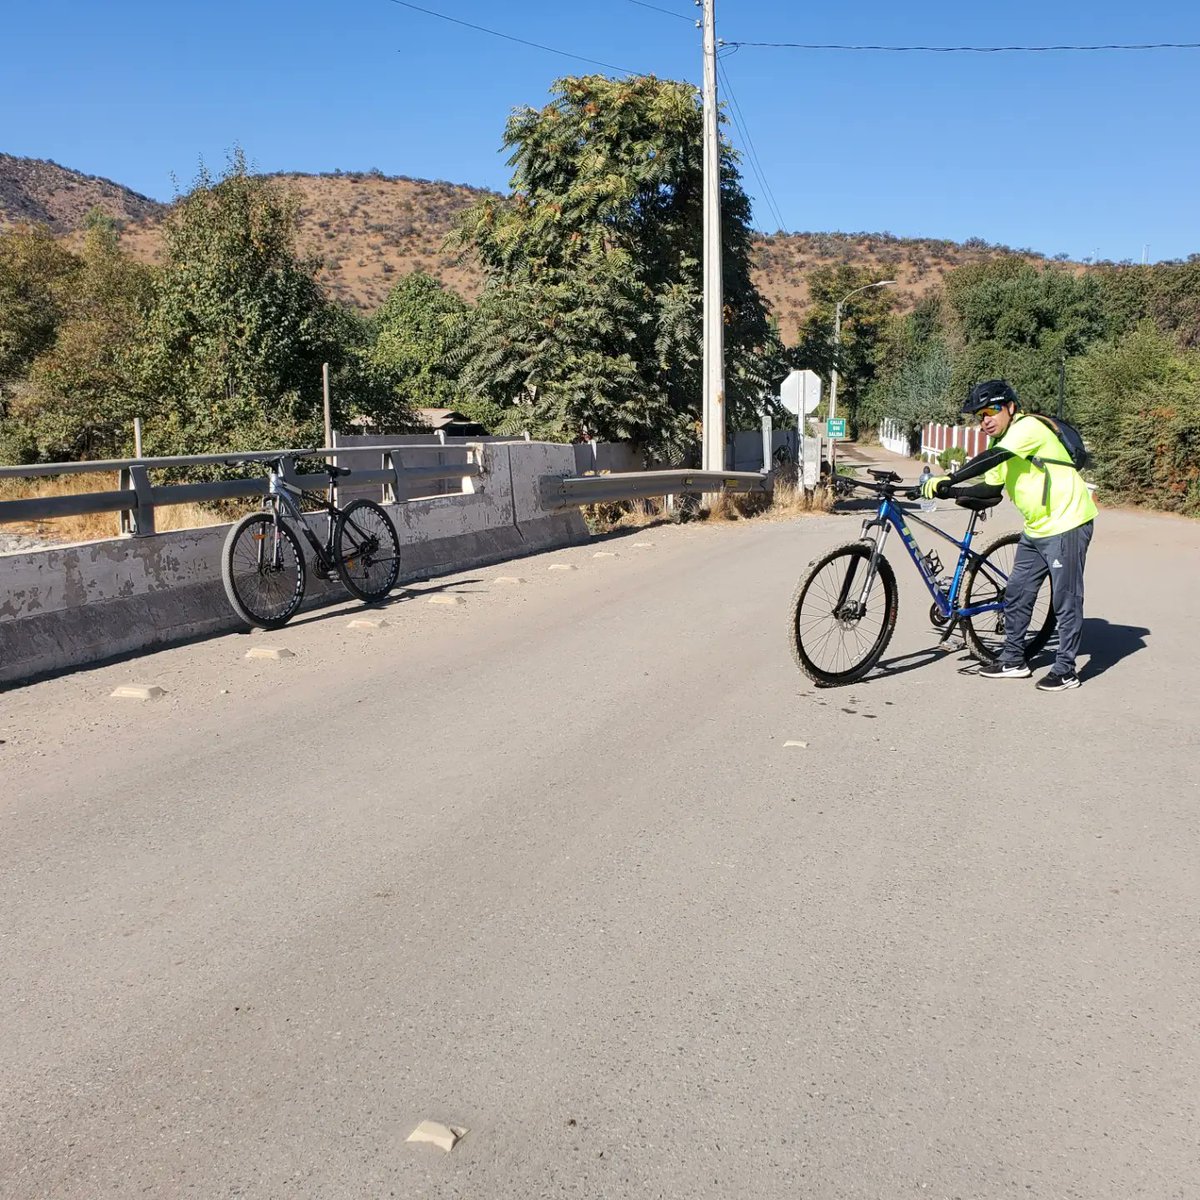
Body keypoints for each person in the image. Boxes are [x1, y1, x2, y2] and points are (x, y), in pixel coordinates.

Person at [921, 379, 1098, 691]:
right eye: (980, 416)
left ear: (1011, 408)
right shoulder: (999, 443)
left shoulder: (1027, 428)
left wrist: (949, 476)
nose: (985, 420)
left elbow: (992, 460)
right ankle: (1013, 660)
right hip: (1037, 528)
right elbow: (990, 488)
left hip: (1067, 522)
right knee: (1017, 592)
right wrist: (948, 490)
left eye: (991, 411)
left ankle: (1066, 669)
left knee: (1065, 599)